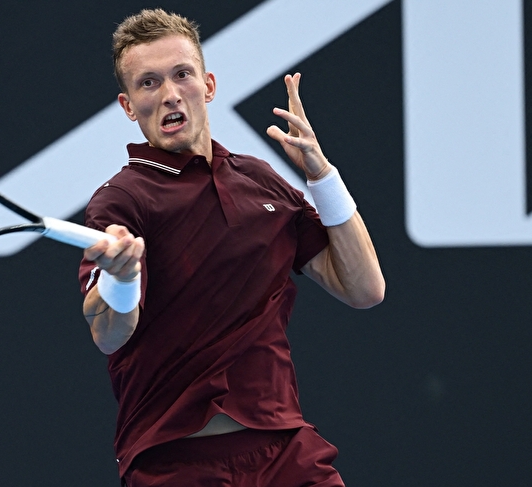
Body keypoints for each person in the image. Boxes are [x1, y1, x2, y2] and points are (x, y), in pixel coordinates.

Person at [78, 8, 385, 487]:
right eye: (149, 83)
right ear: (128, 105)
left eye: (182, 75)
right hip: (174, 463)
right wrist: (121, 278)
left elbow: (365, 289)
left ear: (209, 86)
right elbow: (109, 335)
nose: (170, 94)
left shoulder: (259, 180)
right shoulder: (120, 202)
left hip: (285, 451)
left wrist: (322, 175)